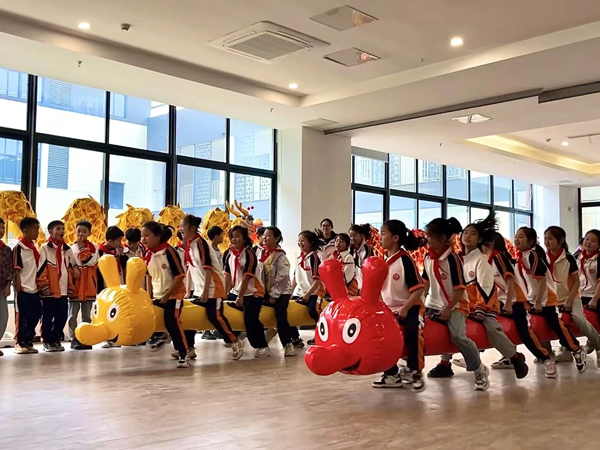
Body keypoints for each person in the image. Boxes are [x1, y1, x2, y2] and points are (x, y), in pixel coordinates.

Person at [423, 217, 490, 391]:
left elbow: (460, 289)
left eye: (430, 235)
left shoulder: (453, 259)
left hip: (456, 305)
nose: (427, 239)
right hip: (434, 304)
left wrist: (448, 308)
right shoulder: (427, 257)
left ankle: (479, 369)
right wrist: (420, 304)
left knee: (458, 336)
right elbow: (425, 282)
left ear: (442, 238)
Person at [460, 216, 528, 379]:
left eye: (473, 234)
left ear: (480, 240)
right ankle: (445, 363)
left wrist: (481, 308)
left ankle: (514, 357)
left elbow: (486, 288)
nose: (468, 236)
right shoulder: (458, 260)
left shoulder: (481, 261)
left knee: (492, 329)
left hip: (485, 307)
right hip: (464, 306)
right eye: (466, 232)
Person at [483, 232, 556, 377]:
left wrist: (508, 304)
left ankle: (547, 359)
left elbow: (510, 282)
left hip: (517, 302)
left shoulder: (498, 257)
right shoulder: (488, 261)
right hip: (502, 302)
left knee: (525, 333)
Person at [514, 227, 587, 373]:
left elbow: (542, 282)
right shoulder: (520, 257)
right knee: (528, 328)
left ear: (531, 241)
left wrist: (538, 302)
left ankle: (577, 349)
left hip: (547, 299)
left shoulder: (533, 256)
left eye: (521, 236)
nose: (516, 239)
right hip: (533, 299)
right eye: (516, 236)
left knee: (557, 326)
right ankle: (546, 358)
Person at [372, 219, 427, 391]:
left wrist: (405, 309)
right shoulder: (383, 261)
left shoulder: (405, 260)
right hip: (389, 309)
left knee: (412, 331)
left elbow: (418, 289)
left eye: (383, 234)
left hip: (411, 306)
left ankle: (415, 371)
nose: (380, 238)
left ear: (395, 238)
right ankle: (391, 374)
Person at [180, 215, 243, 360]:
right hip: (199, 289)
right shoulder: (190, 244)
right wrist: (189, 291)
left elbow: (208, 269)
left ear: (192, 228)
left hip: (213, 288)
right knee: (189, 316)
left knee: (215, 316)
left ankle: (235, 341)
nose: (181, 229)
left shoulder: (201, 243)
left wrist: (205, 292)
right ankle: (189, 348)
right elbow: (190, 269)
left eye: (183, 226)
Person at [142, 221, 190, 368]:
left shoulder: (169, 251)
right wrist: (149, 296)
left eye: (147, 235)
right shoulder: (147, 254)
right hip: (158, 295)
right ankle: (161, 337)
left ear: (157, 236)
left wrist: (167, 296)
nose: (143, 239)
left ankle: (183, 353)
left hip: (175, 294)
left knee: (171, 318)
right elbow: (148, 277)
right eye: (142, 236)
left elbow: (179, 276)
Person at [224, 226, 270, 357]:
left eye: (237, 236)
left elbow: (247, 277)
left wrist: (240, 297)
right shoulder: (228, 253)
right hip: (235, 290)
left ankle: (262, 345)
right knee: (222, 312)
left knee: (251, 318)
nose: (233, 239)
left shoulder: (249, 254)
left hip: (253, 292)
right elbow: (227, 275)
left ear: (244, 239)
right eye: (232, 237)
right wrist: (225, 293)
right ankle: (236, 339)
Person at [37, 220, 77, 352]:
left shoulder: (67, 249)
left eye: (63, 229)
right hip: (50, 290)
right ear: (50, 232)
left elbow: (71, 267)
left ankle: (55, 339)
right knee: (47, 317)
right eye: (58, 228)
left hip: (63, 289)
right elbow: (41, 268)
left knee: (62, 316)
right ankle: (47, 341)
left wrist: (71, 285)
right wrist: (44, 286)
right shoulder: (45, 248)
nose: (62, 231)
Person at [259, 226, 296, 357]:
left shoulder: (281, 256)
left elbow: (282, 277)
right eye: (264, 235)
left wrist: (274, 295)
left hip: (282, 292)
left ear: (276, 239)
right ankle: (263, 343)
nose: (264, 237)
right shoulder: (262, 254)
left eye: (268, 235)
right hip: (266, 291)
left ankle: (288, 344)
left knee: (281, 316)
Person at [13, 217, 42, 354]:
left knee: (35, 315)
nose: (38, 232)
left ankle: (28, 341)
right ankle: (19, 343)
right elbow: (16, 269)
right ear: (25, 231)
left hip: (35, 288)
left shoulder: (34, 247)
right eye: (36, 229)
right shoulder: (19, 248)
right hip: (23, 288)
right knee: (22, 317)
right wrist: (18, 287)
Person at [292, 230, 325, 346]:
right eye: (299, 241)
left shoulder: (314, 257)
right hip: (300, 292)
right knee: (286, 311)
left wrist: (308, 294)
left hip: (314, 292)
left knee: (313, 310)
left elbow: (317, 280)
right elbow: (295, 278)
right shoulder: (299, 258)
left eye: (303, 241)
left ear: (310, 242)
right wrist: (290, 293)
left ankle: (321, 336)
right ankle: (295, 338)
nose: (300, 243)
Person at [69, 220, 98, 350]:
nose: (81, 234)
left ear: (89, 233)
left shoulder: (94, 247)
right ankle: (73, 338)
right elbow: (69, 263)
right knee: (72, 314)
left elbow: (91, 262)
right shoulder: (70, 248)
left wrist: (82, 248)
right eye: (79, 231)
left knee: (87, 315)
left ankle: (85, 338)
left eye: (84, 231)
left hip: (88, 284)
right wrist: (74, 267)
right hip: (76, 284)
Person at [98, 226, 127, 349]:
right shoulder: (100, 251)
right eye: (119, 240)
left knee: (115, 312)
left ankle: (114, 337)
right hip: (105, 286)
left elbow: (125, 266)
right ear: (110, 241)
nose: (120, 243)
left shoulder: (117, 251)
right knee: (105, 311)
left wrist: (122, 255)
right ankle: (104, 338)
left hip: (117, 285)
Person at [577, 229, 600, 362]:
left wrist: (595, 300)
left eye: (593, 241)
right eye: (587, 239)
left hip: (595, 295)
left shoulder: (598, 259)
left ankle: (596, 344)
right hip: (579, 294)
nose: (588, 242)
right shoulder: (577, 257)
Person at [0, 219, 13, 356]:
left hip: (1, 288)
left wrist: (9, 285)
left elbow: (10, 269)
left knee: (3, 317)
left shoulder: (6, 249)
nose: (1, 230)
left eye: (3, 228)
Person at [349, 224, 374, 293]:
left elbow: (369, 269)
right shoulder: (351, 248)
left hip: (364, 283)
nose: (352, 238)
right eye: (350, 236)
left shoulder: (368, 249)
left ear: (362, 236)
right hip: (353, 283)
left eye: (354, 236)